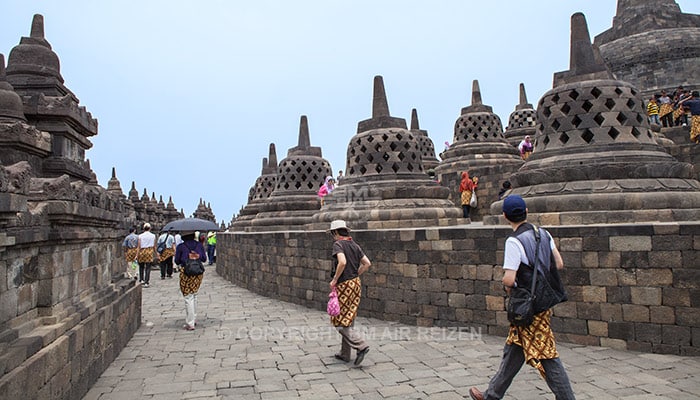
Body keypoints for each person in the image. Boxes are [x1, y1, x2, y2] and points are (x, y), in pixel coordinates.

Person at [469, 195, 574, 400]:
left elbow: (509, 280)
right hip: (543, 301)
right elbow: (558, 264)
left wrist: (512, 281)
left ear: (505, 216)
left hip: (527, 305)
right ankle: (492, 394)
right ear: (526, 212)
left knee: (547, 355)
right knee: (514, 348)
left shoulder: (514, 241)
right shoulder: (543, 233)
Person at [328, 220, 371, 366]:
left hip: (344, 284)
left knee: (338, 320)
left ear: (335, 232)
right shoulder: (355, 245)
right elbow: (367, 263)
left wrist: (335, 279)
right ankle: (345, 353)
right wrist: (355, 274)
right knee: (349, 317)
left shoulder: (338, 245)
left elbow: (342, 262)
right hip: (355, 283)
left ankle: (360, 345)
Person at [175, 232, 207, 331]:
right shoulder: (199, 245)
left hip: (186, 272)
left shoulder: (181, 246)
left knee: (188, 296)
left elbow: (177, 261)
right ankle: (194, 318)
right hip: (198, 273)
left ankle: (190, 323)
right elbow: (204, 259)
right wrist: (196, 256)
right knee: (194, 294)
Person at [136, 222, 156, 287]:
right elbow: (154, 246)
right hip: (149, 251)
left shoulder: (140, 236)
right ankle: (146, 282)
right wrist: (156, 253)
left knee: (141, 266)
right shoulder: (153, 236)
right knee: (148, 267)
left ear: (143, 228)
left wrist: (137, 254)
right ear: (150, 228)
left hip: (142, 251)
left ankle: (141, 279)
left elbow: (138, 246)